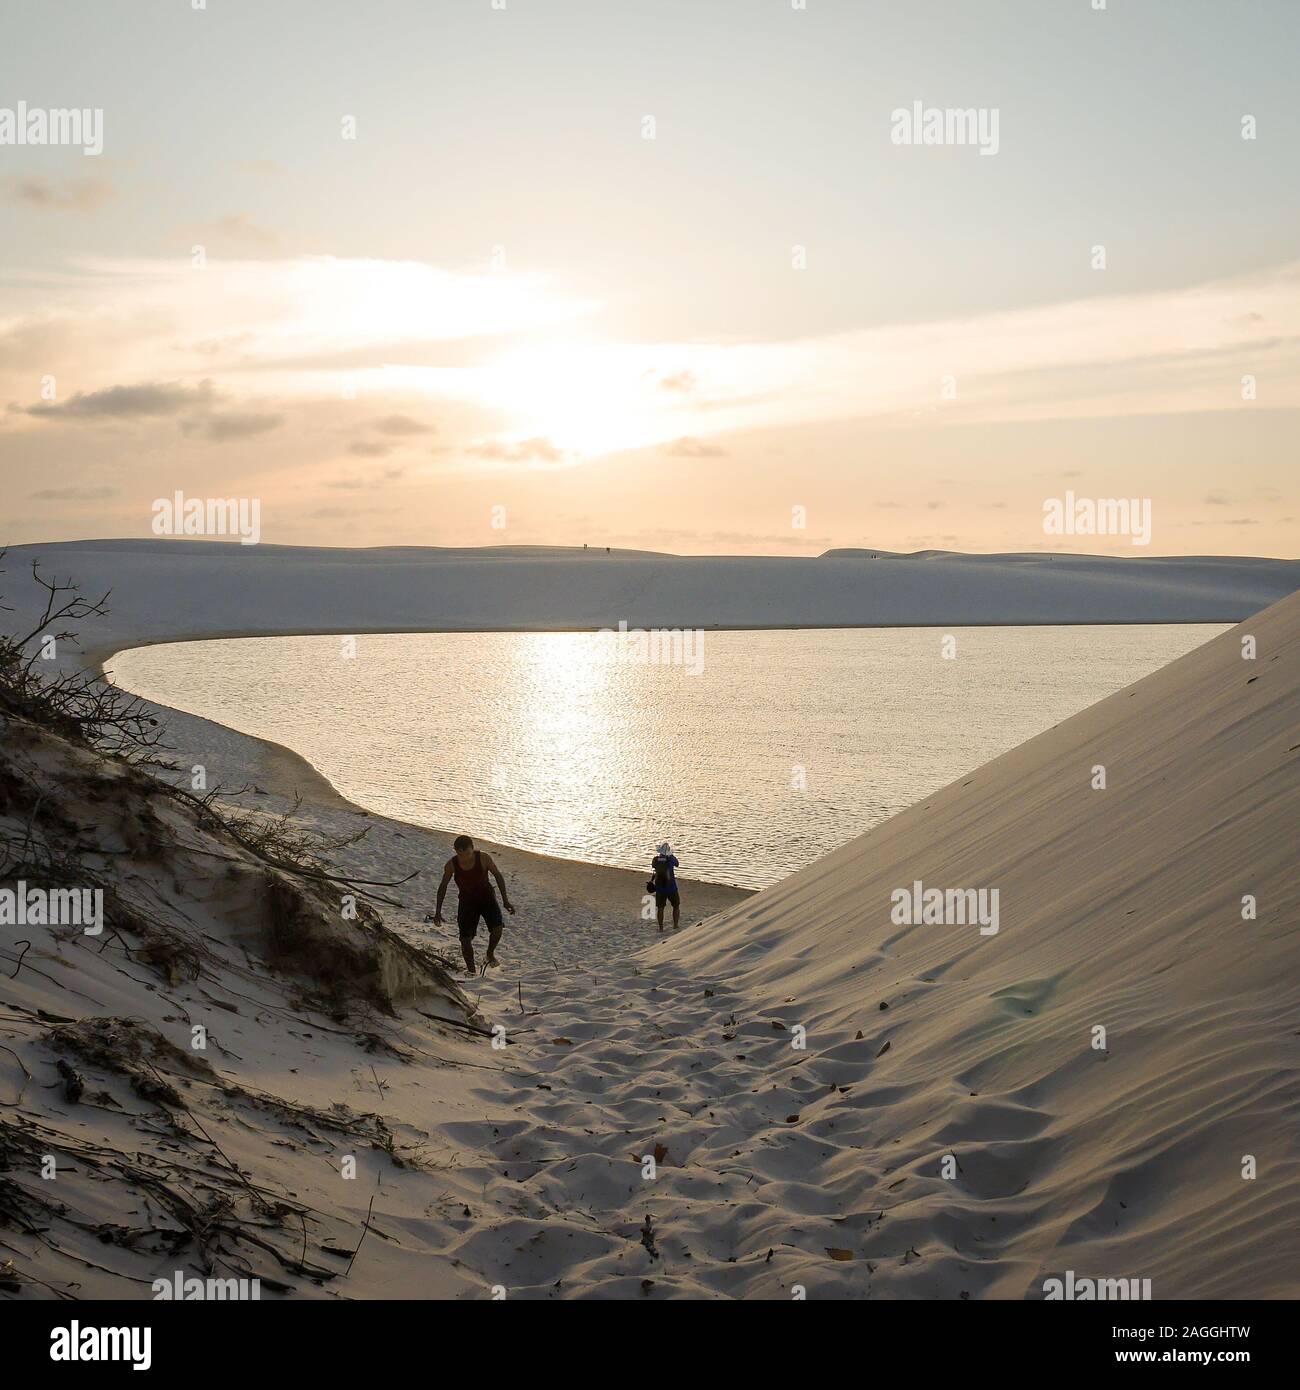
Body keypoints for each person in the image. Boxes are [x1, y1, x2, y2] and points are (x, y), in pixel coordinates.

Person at [435, 835, 515, 974]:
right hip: (467, 902)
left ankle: (490, 954)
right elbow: (443, 886)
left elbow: (498, 875)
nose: (464, 857)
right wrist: (438, 911)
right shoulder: (451, 865)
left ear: (473, 848)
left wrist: (505, 900)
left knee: (497, 928)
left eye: (467, 854)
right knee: (465, 940)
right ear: (456, 852)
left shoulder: (484, 858)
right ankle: (472, 972)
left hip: (487, 898)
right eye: (460, 854)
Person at [650, 841, 680, 931]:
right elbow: (677, 864)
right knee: (676, 906)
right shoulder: (671, 859)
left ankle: (661, 928)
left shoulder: (655, 859)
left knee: (660, 908)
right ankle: (675, 925)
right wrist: (671, 855)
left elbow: (654, 867)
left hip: (660, 888)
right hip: (671, 887)